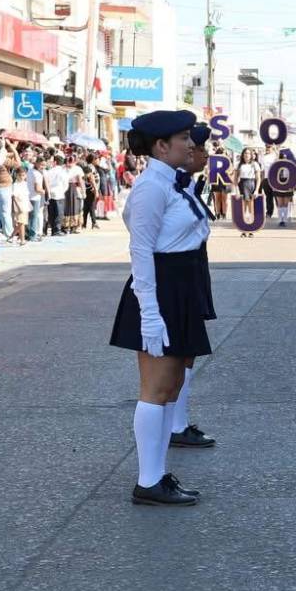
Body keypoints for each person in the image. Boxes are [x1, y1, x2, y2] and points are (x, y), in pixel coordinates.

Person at [111, 110, 216, 507]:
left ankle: (156, 476)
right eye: (184, 138)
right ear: (160, 146)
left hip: (181, 284)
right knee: (155, 389)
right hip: (161, 288)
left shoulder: (171, 181)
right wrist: (150, 315)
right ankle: (148, 480)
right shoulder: (152, 187)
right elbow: (140, 249)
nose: (191, 145)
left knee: (171, 384)